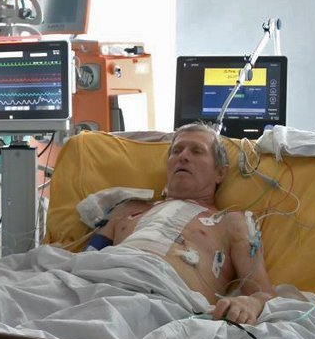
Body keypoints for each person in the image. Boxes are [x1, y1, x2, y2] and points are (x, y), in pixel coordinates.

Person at [84, 122, 275, 325]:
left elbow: (263, 293)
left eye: (197, 151)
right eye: (177, 151)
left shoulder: (232, 221)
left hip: (164, 303)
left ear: (220, 173)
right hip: (95, 287)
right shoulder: (126, 209)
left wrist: (250, 304)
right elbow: (86, 259)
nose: (183, 156)